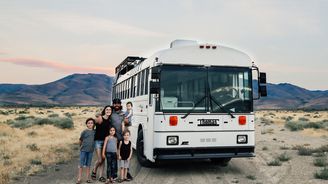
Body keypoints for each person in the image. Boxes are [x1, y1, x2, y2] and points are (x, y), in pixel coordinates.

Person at [110, 98, 133, 180]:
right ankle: (115, 174)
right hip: (114, 139)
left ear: (120, 104)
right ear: (113, 104)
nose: (116, 105)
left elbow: (129, 123)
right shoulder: (110, 114)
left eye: (118, 103)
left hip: (122, 139)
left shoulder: (123, 113)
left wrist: (127, 122)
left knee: (125, 156)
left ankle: (127, 174)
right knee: (116, 157)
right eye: (115, 103)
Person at [91, 106, 111, 182]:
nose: (108, 111)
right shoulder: (100, 118)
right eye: (107, 109)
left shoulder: (109, 121)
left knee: (103, 159)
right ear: (104, 111)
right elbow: (92, 124)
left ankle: (101, 176)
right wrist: (93, 131)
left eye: (109, 110)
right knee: (99, 159)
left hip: (105, 142)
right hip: (98, 141)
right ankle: (94, 170)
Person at [77, 118, 95, 184]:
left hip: (90, 150)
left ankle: (88, 178)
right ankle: (79, 178)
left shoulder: (94, 132)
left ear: (93, 124)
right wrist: (80, 146)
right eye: (89, 123)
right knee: (81, 164)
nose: (90, 124)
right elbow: (80, 140)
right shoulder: (84, 132)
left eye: (91, 123)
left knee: (88, 164)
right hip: (83, 150)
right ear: (87, 124)